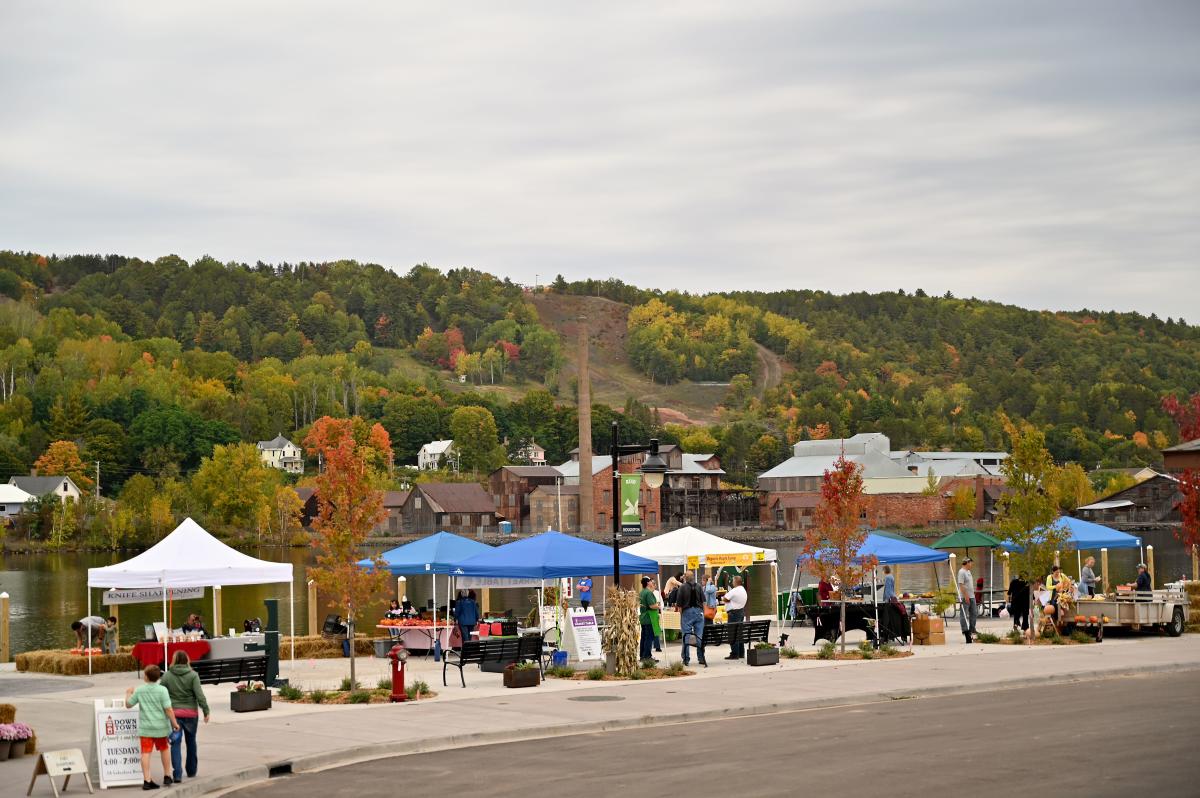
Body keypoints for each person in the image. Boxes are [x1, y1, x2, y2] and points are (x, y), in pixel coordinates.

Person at [125, 664, 180, 790]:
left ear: (146, 677)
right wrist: (174, 723)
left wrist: (128, 693)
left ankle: (147, 780)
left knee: (146, 753)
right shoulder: (162, 690)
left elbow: (128, 705)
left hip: (146, 728)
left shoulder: (139, 690)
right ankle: (167, 775)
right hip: (161, 727)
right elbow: (168, 709)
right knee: (164, 749)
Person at [161, 651, 210, 784]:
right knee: (191, 741)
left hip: (174, 715)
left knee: (175, 743)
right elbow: (199, 695)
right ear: (187, 660)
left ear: (174, 660)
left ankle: (177, 774)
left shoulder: (167, 676)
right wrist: (206, 710)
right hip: (191, 714)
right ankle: (191, 770)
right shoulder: (193, 675)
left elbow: (161, 693)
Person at [674, 571, 707, 667]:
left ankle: (686, 659)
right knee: (699, 636)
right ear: (693, 577)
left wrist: (682, 615)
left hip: (687, 612)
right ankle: (701, 658)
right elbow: (704, 602)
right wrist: (702, 613)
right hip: (699, 612)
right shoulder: (699, 586)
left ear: (685, 578)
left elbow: (679, 605)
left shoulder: (682, 587)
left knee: (686, 636)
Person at [722, 575, 748, 660]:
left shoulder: (734, 590)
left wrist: (728, 600)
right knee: (739, 633)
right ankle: (741, 653)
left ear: (736, 582)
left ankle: (734, 653)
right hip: (741, 612)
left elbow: (725, 599)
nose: (732, 582)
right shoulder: (743, 590)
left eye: (733, 581)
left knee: (732, 634)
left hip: (733, 614)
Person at [638, 577, 659, 663]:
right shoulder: (648, 593)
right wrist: (658, 606)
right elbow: (651, 606)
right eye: (650, 581)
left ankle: (642, 655)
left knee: (643, 637)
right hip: (649, 618)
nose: (651, 582)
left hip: (643, 618)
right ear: (647, 583)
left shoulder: (641, 592)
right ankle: (647, 656)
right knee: (649, 638)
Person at [957, 557, 977, 643]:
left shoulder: (968, 571)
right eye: (971, 563)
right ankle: (965, 632)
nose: (972, 565)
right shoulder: (961, 572)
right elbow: (961, 585)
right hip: (965, 597)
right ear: (967, 563)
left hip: (972, 596)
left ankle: (972, 629)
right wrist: (965, 596)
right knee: (964, 614)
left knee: (974, 613)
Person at [650, 580, 664, 652]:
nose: (651, 585)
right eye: (650, 584)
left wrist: (660, 607)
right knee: (649, 631)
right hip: (649, 613)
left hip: (655, 613)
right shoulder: (647, 593)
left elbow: (662, 603)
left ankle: (657, 646)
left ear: (655, 585)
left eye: (653, 584)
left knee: (656, 630)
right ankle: (649, 646)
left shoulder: (657, 593)